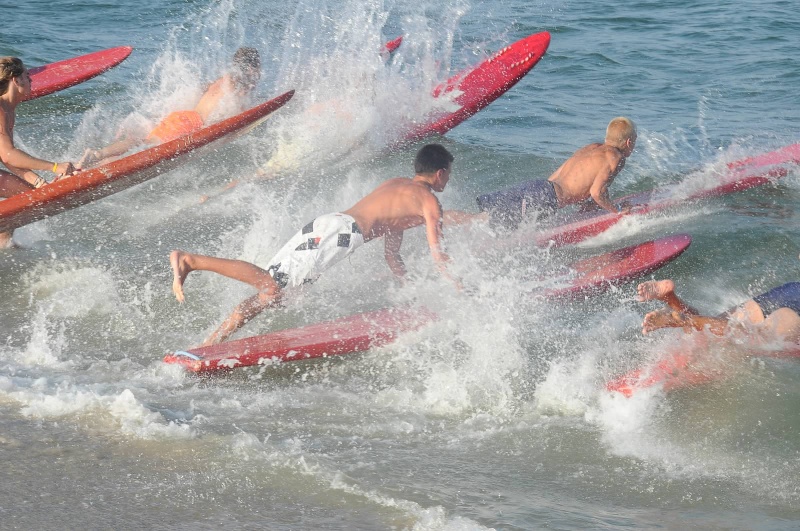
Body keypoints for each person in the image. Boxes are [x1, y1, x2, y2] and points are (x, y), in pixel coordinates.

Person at [170, 143, 462, 346]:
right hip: (340, 235)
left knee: (275, 296)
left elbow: (392, 255)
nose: (448, 179)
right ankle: (191, 261)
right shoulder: (429, 202)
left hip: (331, 224)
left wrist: (410, 291)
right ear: (440, 173)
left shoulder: (397, 185)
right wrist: (458, 288)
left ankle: (211, 342)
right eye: (448, 173)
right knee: (271, 286)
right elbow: (439, 255)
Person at [78, 46, 261, 168]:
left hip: (183, 116)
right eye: (257, 68)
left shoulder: (222, 79)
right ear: (249, 68)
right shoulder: (240, 84)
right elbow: (239, 113)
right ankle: (97, 155)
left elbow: (203, 90)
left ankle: (89, 168)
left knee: (142, 148)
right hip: (191, 123)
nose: (259, 73)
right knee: (145, 146)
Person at [477, 117, 637, 230]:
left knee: (484, 218)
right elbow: (596, 192)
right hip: (544, 200)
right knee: (489, 225)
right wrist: (617, 209)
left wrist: (588, 205)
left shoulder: (592, 148)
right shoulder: (616, 157)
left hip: (539, 187)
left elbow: (565, 177)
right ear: (629, 142)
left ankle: (462, 231)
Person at [1, 56, 77, 247]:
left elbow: (7, 158)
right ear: (16, 80)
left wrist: (39, 182)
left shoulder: (8, 110)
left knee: (27, 198)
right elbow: (9, 154)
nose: (31, 80)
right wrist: (54, 167)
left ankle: (4, 245)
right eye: (27, 76)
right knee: (27, 199)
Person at [636, 279, 800, 342]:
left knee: (720, 329)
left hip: (791, 290)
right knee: (760, 338)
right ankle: (688, 320)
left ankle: (672, 300)